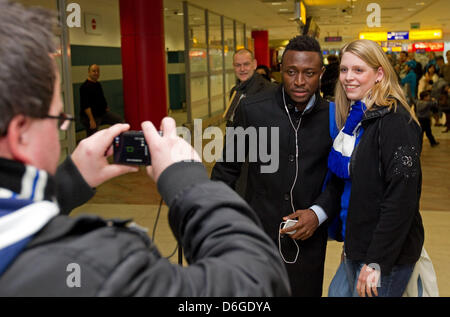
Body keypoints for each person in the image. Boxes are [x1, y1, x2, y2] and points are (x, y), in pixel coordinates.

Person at [0, 0, 290, 296]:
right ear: (20, 134)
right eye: (59, 117)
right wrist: (188, 182)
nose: (63, 127)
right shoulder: (100, 264)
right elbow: (255, 285)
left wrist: (69, 181)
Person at [212, 35, 339, 297]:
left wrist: (318, 212)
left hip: (308, 237)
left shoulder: (335, 117)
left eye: (309, 73)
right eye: (291, 72)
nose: (300, 81)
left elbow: (341, 178)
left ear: (321, 73)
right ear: (280, 70)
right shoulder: (252, 110)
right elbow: (227, 169)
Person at [325, 39, 424, 297]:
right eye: (344, 70)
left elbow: (402, 199)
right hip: (357, 245)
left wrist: (376, 261)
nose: (348, 77)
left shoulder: (395, 122)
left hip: (383, 255)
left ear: (379, 74)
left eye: (359, 70)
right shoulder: (359, 118)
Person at [224, 49, 275, 125]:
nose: (242, 69)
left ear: (254, 64)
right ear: (233, 67)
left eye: (246, 64)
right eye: (238, 65)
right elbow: (231, 121)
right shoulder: (235, 91)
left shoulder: (270, 90)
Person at [80, 64, 124, 137]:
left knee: (119, 121)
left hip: (102, 113)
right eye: (94, 71)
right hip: (91, 116)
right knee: (92, 136)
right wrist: (91, 120)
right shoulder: (84, 87)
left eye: (98, 71)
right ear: (89, 72)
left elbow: (101, 98)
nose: (96, 73)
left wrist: (106, 107)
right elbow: (86, 105)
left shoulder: (98, 84)